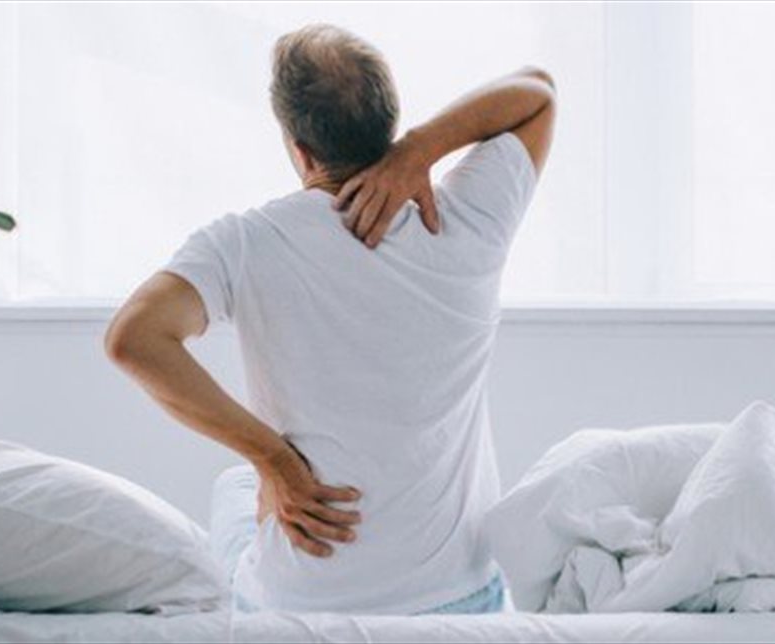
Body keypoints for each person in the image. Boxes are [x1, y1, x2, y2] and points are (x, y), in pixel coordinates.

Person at [104, 24, 555, 615]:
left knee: (236, 488)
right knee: (239, 487)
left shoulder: (247, 243)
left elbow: (134, 339)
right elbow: (536, 92)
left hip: (300, 605)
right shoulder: (468, 218)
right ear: (388, 124)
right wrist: (419, 150)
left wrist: (274, 462)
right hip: (461, 600)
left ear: (299, 149)